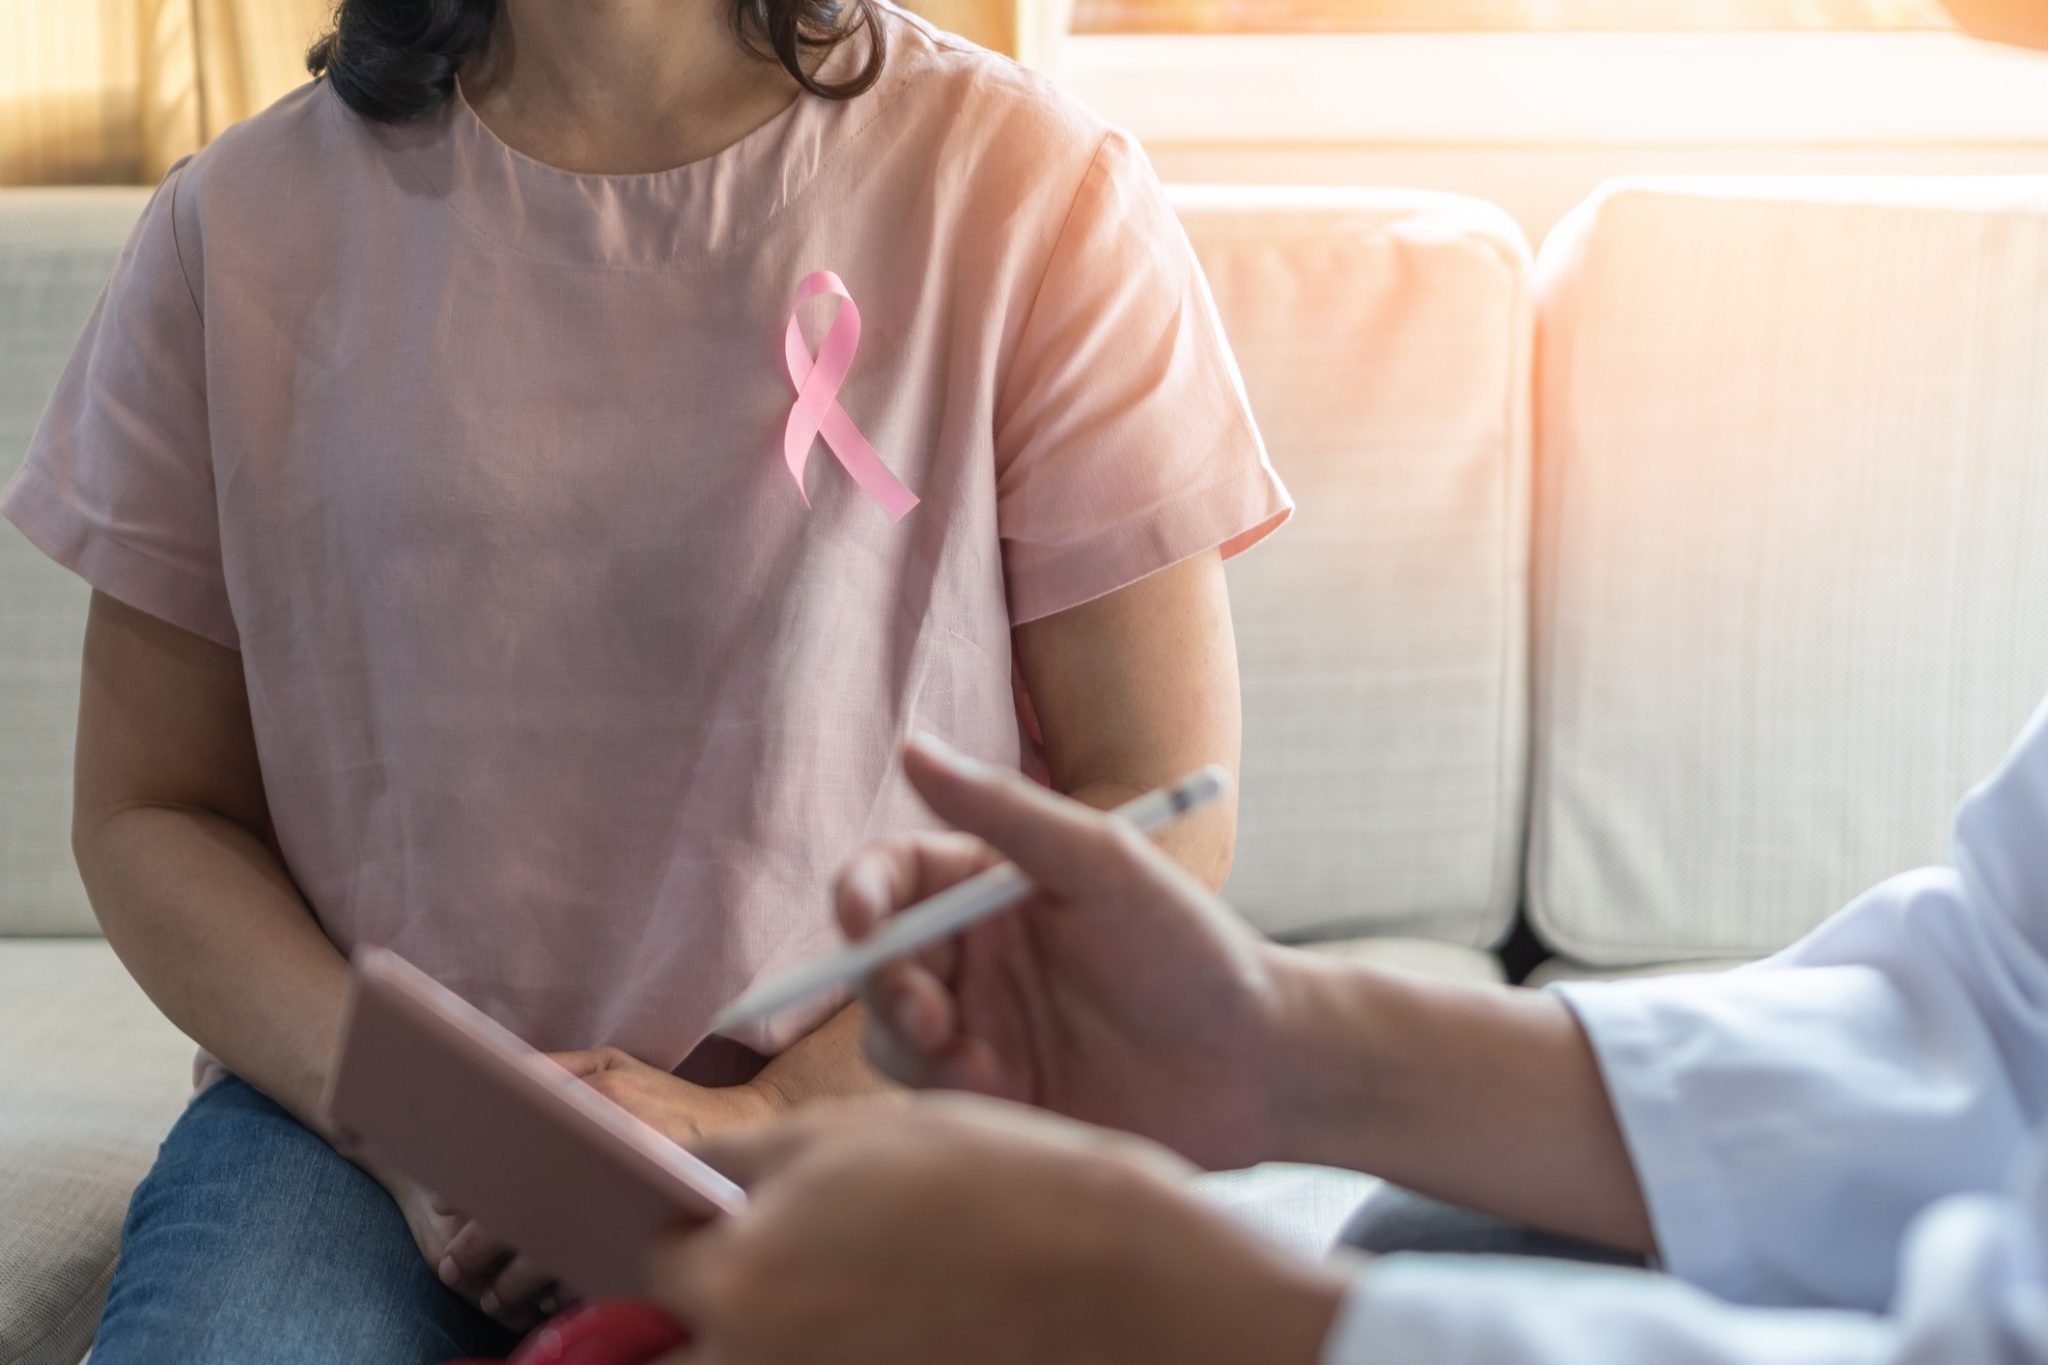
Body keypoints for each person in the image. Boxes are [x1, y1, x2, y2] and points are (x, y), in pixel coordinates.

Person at [0, 0, 1289, 1358]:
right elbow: (150, 807)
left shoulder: (1032, 186)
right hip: (351, 1125)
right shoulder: (238, 223)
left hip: (879, 1106)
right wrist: (421, 1122)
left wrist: (779, 1116)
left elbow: (1161, 796)